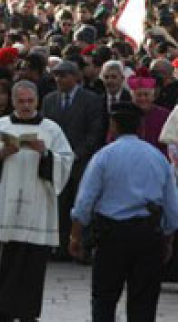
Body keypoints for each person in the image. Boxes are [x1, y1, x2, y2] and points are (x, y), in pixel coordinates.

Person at [0, 80, 74, 322]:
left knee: (31, 261)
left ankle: (27, 313)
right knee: (4, 257)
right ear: (12, 101)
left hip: (37, 204)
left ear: (37, 101)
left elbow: (66, 162)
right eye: (20, 101)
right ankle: (2, 310)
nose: (25, 106)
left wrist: (45, 153)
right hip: (2, 202)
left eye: (30, 101)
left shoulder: (51, 129)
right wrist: (0, 154)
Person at [70, 101, 178, 322]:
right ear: (140, 127)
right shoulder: (157, 158)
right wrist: (167, 240)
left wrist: (75, 235)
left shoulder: (104, 156)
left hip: (112, 235)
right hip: (148, 235)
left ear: (113, 126)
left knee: (104, 298)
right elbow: (172, 208)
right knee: (144, 301)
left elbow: (85, 201)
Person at [41, 59, 104, 256]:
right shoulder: (49, 100)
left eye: (64, 75)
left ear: (76, 77)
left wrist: (78, 153)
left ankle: (79, 247)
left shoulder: (91, 100)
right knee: (58, 203)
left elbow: (95, 131)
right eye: (56, 75)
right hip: (56, 161)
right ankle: (58, 246)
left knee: (80, 203)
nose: (59, 79)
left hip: (80, 161)